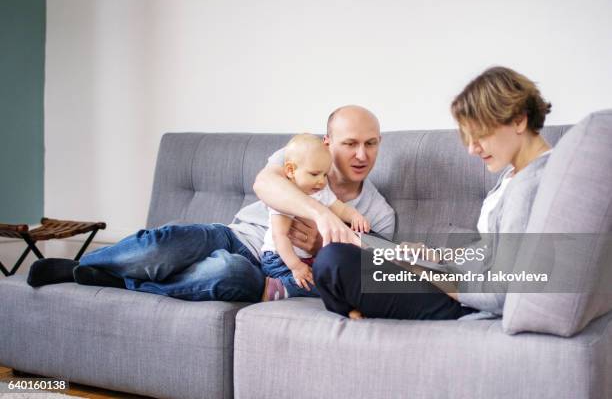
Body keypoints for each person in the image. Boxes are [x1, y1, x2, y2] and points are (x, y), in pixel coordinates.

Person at [27, 105, 395, 303]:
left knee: (227, 274)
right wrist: (317, 212)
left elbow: (364, 269)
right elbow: (264, 183)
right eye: (350, 143)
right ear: (329, 142)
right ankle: (82, 267)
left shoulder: (377, 211)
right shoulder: (301, 156)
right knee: (165, 243)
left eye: (372, 143)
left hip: (270, 272)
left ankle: (115, 281)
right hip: (236, 236)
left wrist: (321, 243)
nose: (362, 154)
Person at [311, 66, 553, 320]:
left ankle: (352, 304)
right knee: (358, 239)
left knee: (334, 259)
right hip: (455, 279)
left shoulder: (528, 186)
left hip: (463, 302)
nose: (472, 148)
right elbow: (493, 250)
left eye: (480, 134)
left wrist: (426, 273)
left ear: (519, 120)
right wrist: (435, 256)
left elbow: (501, 292)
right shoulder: (516, 173)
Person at [260, 133, 370, 301]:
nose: (321, 181)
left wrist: (354, 215)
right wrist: (296, 267)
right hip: (280, 259)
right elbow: (279, 236)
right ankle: (280, 287)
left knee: (336, 279)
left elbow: (339, 209)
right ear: (291, 170)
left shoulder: (320, 191)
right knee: (322, 287)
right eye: (314, 174)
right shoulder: (287, 197)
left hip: (306, 258)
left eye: (325, 175)